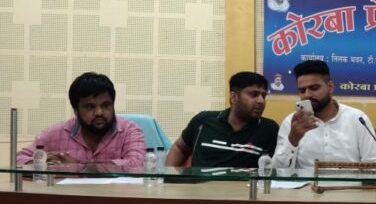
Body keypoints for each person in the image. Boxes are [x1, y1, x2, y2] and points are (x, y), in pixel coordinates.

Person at [271, 61, 376, 169]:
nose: (307, 95)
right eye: (302, 90)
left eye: (314, 88)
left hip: (350, 182)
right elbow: (277, 171)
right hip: (307, 184)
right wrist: (293, 139)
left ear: (330, 87)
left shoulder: (357, 119)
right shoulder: (291, 123)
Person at [16, 72, 146, 167]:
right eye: (90, 107)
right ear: (76, 111)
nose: (99, 112)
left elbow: (137, 164)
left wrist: (79, 167)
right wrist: (44, 161)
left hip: (115, 196)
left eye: (106, 105)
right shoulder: (56, 133)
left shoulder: (129, 131)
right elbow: (18, 159)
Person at [166, 72, 279, 168]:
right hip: (201, 187)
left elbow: (279, 166)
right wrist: (167, 179)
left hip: (244, 187)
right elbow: (180, 148)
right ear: (234, 97)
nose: (261, 101)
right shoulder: (203, 120)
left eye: (263, 96)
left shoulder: (269, 129)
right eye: (254, 95)